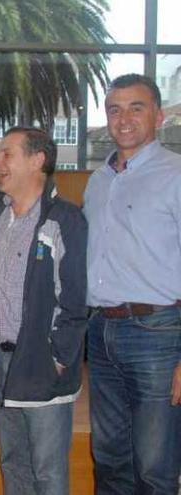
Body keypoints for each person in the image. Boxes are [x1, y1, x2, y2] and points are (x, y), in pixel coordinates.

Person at [0, 127, 87, 494]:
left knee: (47, 470)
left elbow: (76, 296)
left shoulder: (64, 220)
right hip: (0, 362)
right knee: (13, 460)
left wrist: (59, 356)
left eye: (6, 154)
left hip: (41, 362)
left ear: (38, 161)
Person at [83, 73, 181, 494]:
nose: (124, 119)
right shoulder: (97, 181)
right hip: (101, 332)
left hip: (158, 335)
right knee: (109, 459)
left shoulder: (176, 175)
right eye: (115, 109)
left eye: (136, 107)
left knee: (155, 467)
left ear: (158, 116)